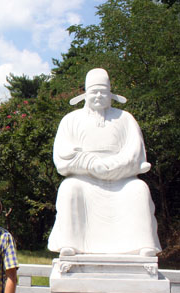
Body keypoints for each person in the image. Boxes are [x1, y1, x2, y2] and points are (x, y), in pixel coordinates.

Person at [48, 68, 161, 257]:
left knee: (138, 189)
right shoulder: (71, 120)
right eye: (94, 91)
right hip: (84, 178)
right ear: (85, 93)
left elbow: (135, 153)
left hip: (121, 179)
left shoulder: (125, 119)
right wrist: (90, 163)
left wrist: (113, 167)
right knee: (69, 188)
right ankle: (71, 243)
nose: (99, 95)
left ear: (110, 93)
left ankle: (142, 245)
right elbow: (63, 156)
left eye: (103, 91)